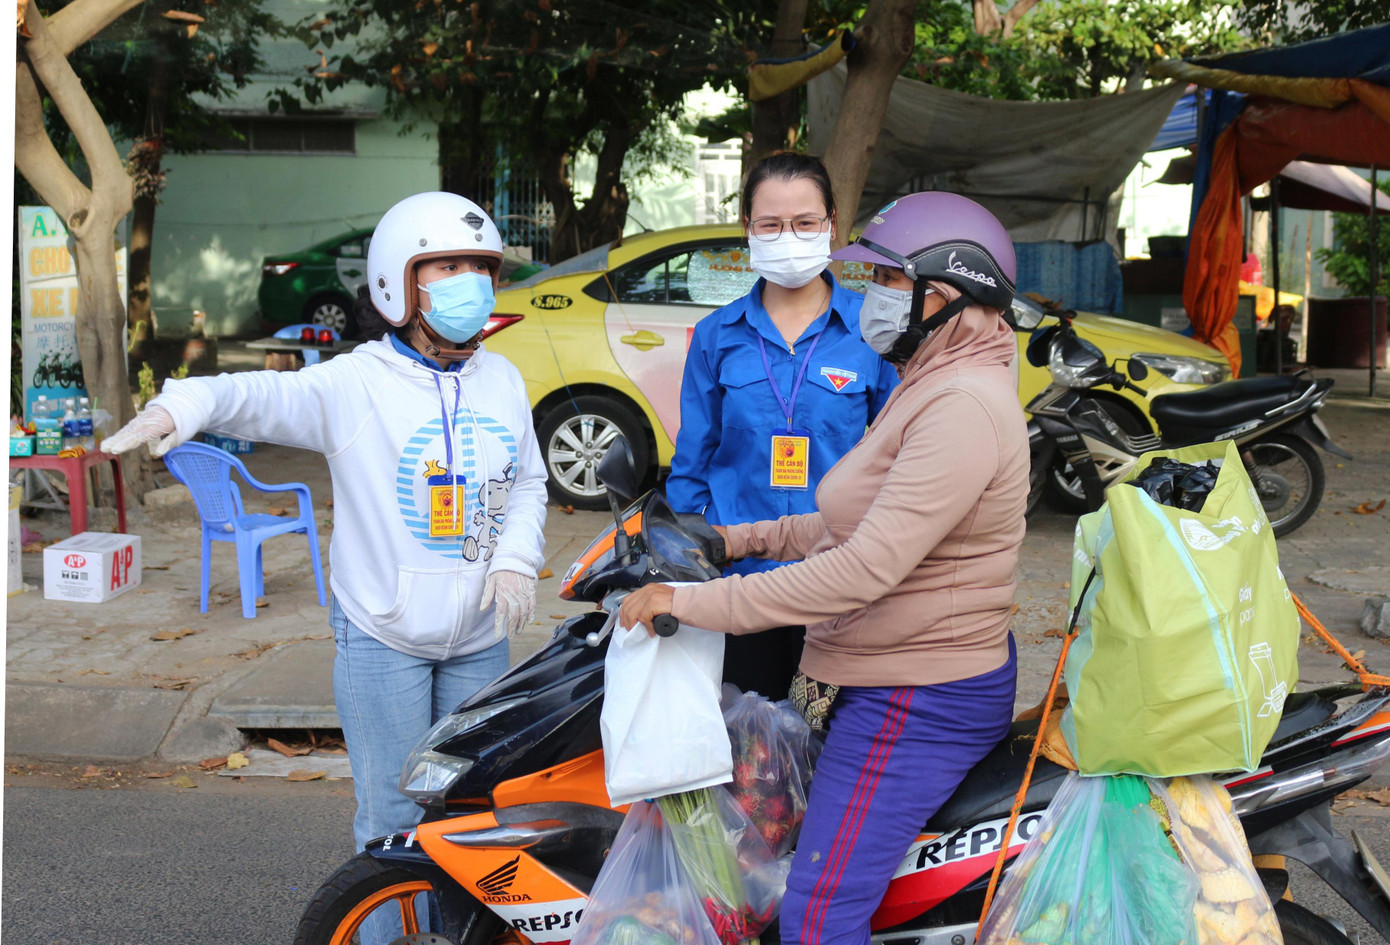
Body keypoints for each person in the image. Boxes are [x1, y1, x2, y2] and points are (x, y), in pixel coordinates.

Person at [102, 193, 548, 924]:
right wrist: (184, 406)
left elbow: (528, 480)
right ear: (395, 282)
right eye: (447, 264)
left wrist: (517, 560)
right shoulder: (357, 382)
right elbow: (263, 395)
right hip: (382, 635)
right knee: (391, 820)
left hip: (479, 635)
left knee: (471, 815)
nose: (469, 279)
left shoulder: (501, 379)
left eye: (479, 265)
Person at [622, 192, 1028, 945]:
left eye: (890, 282)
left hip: (916, 694)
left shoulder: (962, 406)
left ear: (945, 295)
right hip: (895, 671)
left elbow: (860, 567)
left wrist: (693, 600)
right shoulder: (932, 380)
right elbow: (849, 517)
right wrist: (736, 541)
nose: (873, 298)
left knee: (817, 915)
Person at [666, 151, 898, 700]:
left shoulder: (874, 333)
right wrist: (682, 552)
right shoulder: (716, 335)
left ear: (831, 225)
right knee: (748, 747)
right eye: (770, 224)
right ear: (748, 229)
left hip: (838, 577)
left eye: (804, 222)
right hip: (739, 580)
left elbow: (900, 452)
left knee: (823, 744)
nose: (788, 236)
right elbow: (692, 459)